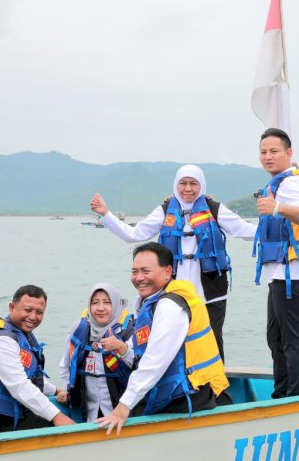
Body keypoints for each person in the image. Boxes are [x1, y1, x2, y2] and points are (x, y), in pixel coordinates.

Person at [90, 164, 256, 361]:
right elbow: (133, 234)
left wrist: (281, 226)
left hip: (210, 294)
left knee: (212, 343)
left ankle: (215, 389)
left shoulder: (214, 209)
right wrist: (106, 214)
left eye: (193, 183)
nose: (188, 189)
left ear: (201, 185)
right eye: (183, 183)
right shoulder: (165, 210)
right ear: (175, 185)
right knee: (173, 343)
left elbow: (245, 230)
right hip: (173, 294)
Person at [97, 242, 230, 435]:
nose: (139, 278)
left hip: (192, 397)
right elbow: (144, 353)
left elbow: (155, 360)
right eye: (134, 271)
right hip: (169, 393)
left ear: (167, 272)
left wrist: (123, 407)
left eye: (145, 271)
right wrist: (124, 349)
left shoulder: (170, 306)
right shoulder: (148, 303)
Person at [253, 128, 299, 398]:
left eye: (274, 151)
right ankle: (282, 392)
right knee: (276, 337)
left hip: (294, 272)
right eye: (263, 152)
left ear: (289, 153)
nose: (268, 157)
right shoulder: (278, 184)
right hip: (280, 274)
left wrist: (276, 207)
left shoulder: (292, 183)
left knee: (293, 338)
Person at [0, 285, 76, 434]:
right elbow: (19, 385)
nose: (33, 317)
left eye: (39, 312)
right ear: (11, 307)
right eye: (27, 310)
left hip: (17, 414)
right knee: (61, 426)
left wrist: (56, 390)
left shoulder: (22, 334)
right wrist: (58, 417)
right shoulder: (1, 340)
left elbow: (30, 376)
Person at [57, 283, 134, 422]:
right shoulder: (78, 330)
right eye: (95, 302)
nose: (100, 308)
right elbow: (66, 366)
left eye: (107, 302)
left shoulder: (127, 332)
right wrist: (66, 390)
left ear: (116, 304)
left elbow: (141, 367)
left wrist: (122, 348)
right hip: (89, 413)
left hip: (121, 412)